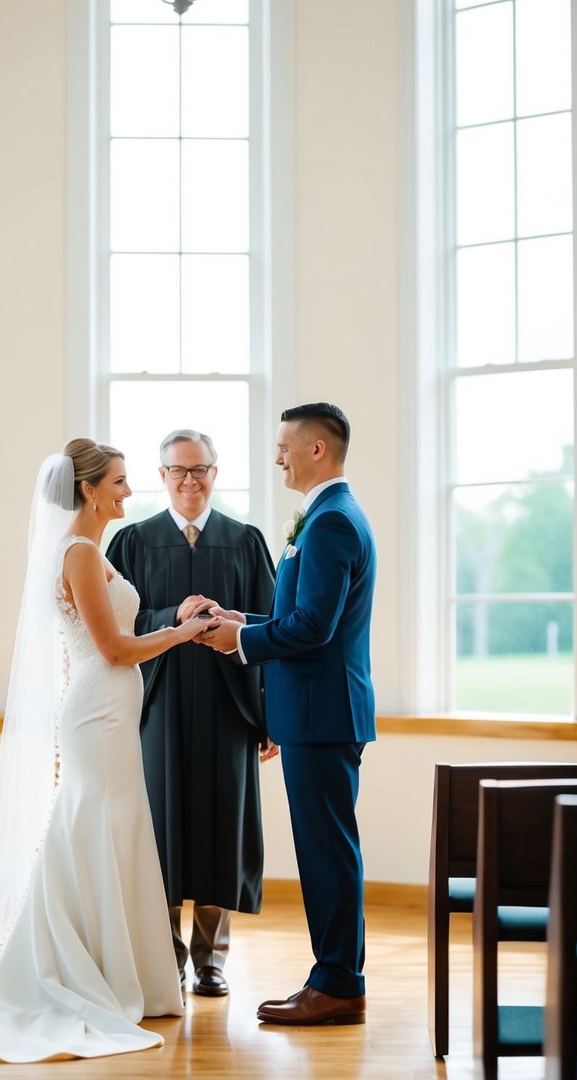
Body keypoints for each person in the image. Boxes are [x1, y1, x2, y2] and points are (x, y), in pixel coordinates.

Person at [0, 439, 214, 1063]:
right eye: (121, 482)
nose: (129, 491)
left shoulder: (87, 549)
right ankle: (80, 968)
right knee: (93, 827)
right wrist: (183, 633)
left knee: (111, 829)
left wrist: (174, 624)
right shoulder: (77, 552)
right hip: (98, 713)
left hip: (110, 713)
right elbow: (114, 650)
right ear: (89, 490)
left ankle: (117, 968)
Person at [198, 404, 377, 1026]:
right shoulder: (329, 516)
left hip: (321, 715)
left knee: (327, 852)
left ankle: (337, 985)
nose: (277, 456)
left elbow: (313, 629)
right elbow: (299, 618)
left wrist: (240, 645)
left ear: (317, 450)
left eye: (284, 446)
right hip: (319, 713)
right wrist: (238, 620)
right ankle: (336, 978)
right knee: (327, 849)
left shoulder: (330, 524)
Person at [106, 429, 276, 998]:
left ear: (215, 472)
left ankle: (212, 958)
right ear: (162, 477)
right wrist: (169, 618)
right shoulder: (132, 542)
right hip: (160, 705)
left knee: (220, 831)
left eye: (199, 469)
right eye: (178, 471)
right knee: (163, 832)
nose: (189, 480)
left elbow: (274, 630)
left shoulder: (245, 541)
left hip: (230, 707)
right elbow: (113, 624)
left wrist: (270, 717)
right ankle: (166, 957)